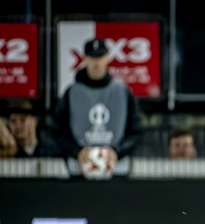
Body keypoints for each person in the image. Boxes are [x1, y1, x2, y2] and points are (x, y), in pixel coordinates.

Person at [51, 38, 142, 178]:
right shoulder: (71, 93)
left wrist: (117, 152)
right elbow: (57, 131)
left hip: (117, 171)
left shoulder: (123, 92)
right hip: (78, 171)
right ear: (85, 59)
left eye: (100, 57)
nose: (96, 62)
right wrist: (77, 152)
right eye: (92, 58)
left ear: (107, 58)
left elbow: (137, 131)